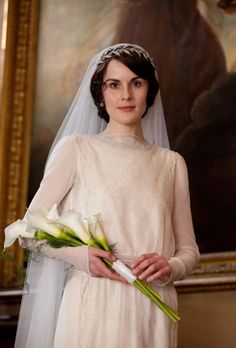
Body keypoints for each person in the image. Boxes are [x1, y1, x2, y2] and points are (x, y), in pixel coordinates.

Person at [14, 43, 199, 348]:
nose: (125, 95)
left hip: (153, 307)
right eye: (114, 84)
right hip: (92, 300)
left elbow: (188, 249)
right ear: (100, 93)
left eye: (135, 83)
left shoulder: (171, 163)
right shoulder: (77, 149)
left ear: (149, 91)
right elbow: (28, 230)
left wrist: (171, 266)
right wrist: (79, 256)